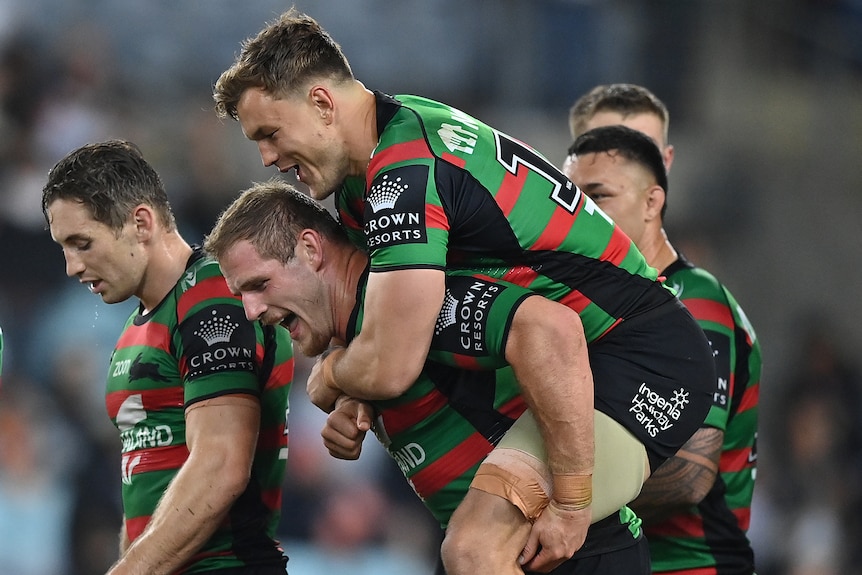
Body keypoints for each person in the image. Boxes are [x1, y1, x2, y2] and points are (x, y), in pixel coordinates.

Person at [213, 10, 716, 570]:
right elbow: (390, 324)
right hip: (585, 356)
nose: (266, 158)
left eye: (270, 133)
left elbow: (392, 360)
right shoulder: (376, 167)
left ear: (323, 105)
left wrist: (333, 376)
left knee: (477, 545)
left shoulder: (403, 174)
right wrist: (359, 388)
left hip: (641, 354)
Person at [203, 179, 652, 575]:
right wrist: (351, 391)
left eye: (259, 285)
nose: (252, 312)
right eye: (242, 295)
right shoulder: (369, 341)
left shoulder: (413, 309)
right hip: (489, 550)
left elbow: (549, 329)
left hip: (569, 552)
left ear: (310, 249)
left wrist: (571, 505)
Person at [41, 140, 294, 575]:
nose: (71, 266)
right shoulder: (137, 326)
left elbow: (221, 465)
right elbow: (145, 487)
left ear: (141, 222)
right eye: (64, 247)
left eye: (82, 243)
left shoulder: (213, 297)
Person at [563, 119, 761, 574]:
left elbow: (689, 474)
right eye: (570, 198)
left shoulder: (693, 300)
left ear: (653, 202)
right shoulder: (597, 303)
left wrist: (554, 500)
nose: (578, 214)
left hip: (691, 565)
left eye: (598, 196)